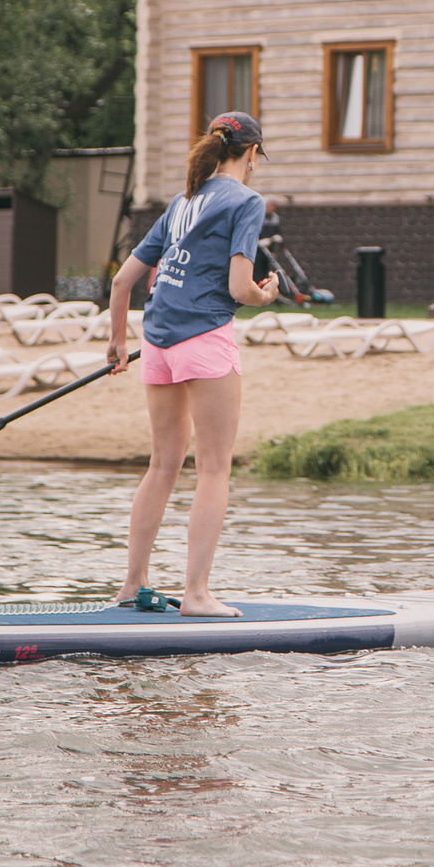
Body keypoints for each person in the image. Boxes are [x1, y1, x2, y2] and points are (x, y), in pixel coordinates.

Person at [105, 110, 279, 617]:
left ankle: (131, 587)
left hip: (156, 343)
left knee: (162, 465)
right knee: (213, 469)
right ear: (250, 154)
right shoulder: (247, 201)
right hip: (205, 339)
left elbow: (121, 283)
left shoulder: (182, 202)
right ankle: (197, 594)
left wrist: (118, 343)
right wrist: (264, 296)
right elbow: (237, 288)